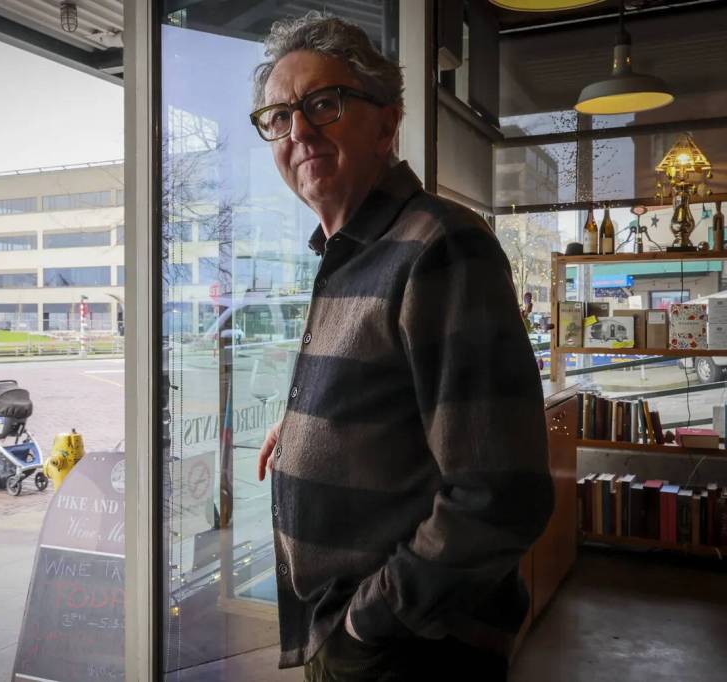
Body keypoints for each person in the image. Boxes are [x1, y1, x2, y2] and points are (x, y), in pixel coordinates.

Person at [250, 13, 552, 680]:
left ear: (388, 121)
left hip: (413, 652)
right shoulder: (356, 250)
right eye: (277, 116)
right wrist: (304, 427)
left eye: (322, 105)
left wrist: (366, 627)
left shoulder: (441, 247)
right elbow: (400, 394)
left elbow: (501, 494)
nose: (297, 130)